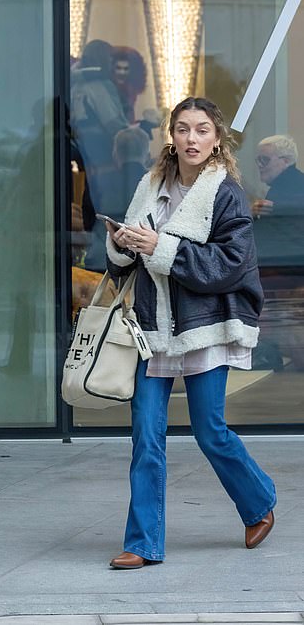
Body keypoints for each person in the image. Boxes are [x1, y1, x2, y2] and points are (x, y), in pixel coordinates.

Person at [104, 97, 276, 569]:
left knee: (210, 431)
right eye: (183, 129)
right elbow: (124, 261)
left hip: (205, 328)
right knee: (146, 435)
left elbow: (228, 265)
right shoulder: (151, 184)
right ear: (171, 136)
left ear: (216, 138)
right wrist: (122, 245)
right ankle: (142, 543)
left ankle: (259, 503)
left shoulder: (226, 193)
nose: (192, 138)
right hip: (152, 328)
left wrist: (162, 247)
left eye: (202, 130)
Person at [85, 126, 150, 271]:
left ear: (115, 154)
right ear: (147, 154)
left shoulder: (97, 180)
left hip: (99, 256)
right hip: (141, 262)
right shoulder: (155, 182)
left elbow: (88, 221)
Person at [71, 40, 129, 177]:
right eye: (110, 57)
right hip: (105, 158)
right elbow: (112, 123)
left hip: (87, 156)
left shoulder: (75, 85)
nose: (112, 62)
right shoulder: (97, 86)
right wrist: (134, 135)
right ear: (101, 58)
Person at [252, 135, 304, 217]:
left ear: (286, 161)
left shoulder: (294, 188)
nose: (259, 164)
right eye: (258, 160)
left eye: (265, 159)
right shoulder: (281, 187)